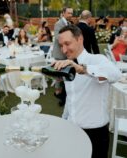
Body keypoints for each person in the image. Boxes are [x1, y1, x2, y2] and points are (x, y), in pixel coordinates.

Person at [53, 25, 121, 158]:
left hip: (96, 134)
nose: (64, 49)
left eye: (67, 43)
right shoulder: (67, 64)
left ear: (80, 39)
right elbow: (71, 98)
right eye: (61, 45)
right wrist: (64, 120)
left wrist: (83, 69)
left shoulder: (97, 60)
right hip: (72, 130)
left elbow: (116, 74)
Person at [51, 7, 73, 106]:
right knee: (59, 75)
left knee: (63, 74)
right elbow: (57, 38)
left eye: (71, 13)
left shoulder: (69, 24)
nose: (70, 15)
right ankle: (58, 94)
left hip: (67, 53)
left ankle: (62, 94)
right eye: (68, 13)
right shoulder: (58, 24)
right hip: (60, 53)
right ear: (63, 13)